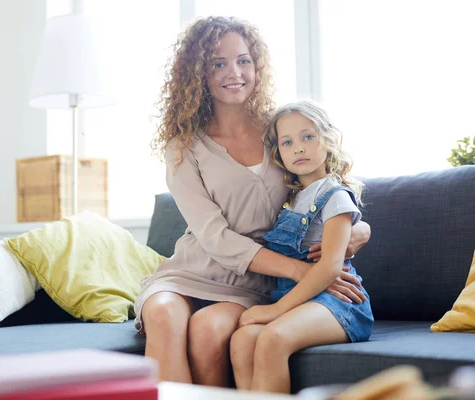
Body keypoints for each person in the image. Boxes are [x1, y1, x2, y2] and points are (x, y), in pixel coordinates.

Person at [133, 16, 371, 387]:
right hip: (191, 270)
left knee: (208, 331)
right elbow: (213, 236)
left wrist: (359, 229)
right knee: (163, 316)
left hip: (252, 282)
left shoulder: (282, 131)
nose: (235, 72)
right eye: (218, 63)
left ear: (256, 66)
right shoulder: (183, 146)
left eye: (243, 60)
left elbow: (329, 188)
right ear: (198, 73)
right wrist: (299, 271)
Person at [230, 100, 375, 393]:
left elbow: (331, 266)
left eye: (308, 137)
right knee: (242, 339)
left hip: (339, 304)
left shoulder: (334, 195)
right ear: (279, 154)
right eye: (287, 142)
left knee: (273, 337)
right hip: (299, 300)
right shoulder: (289, 199)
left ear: (328, 141)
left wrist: (276, 310)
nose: (299, 148)